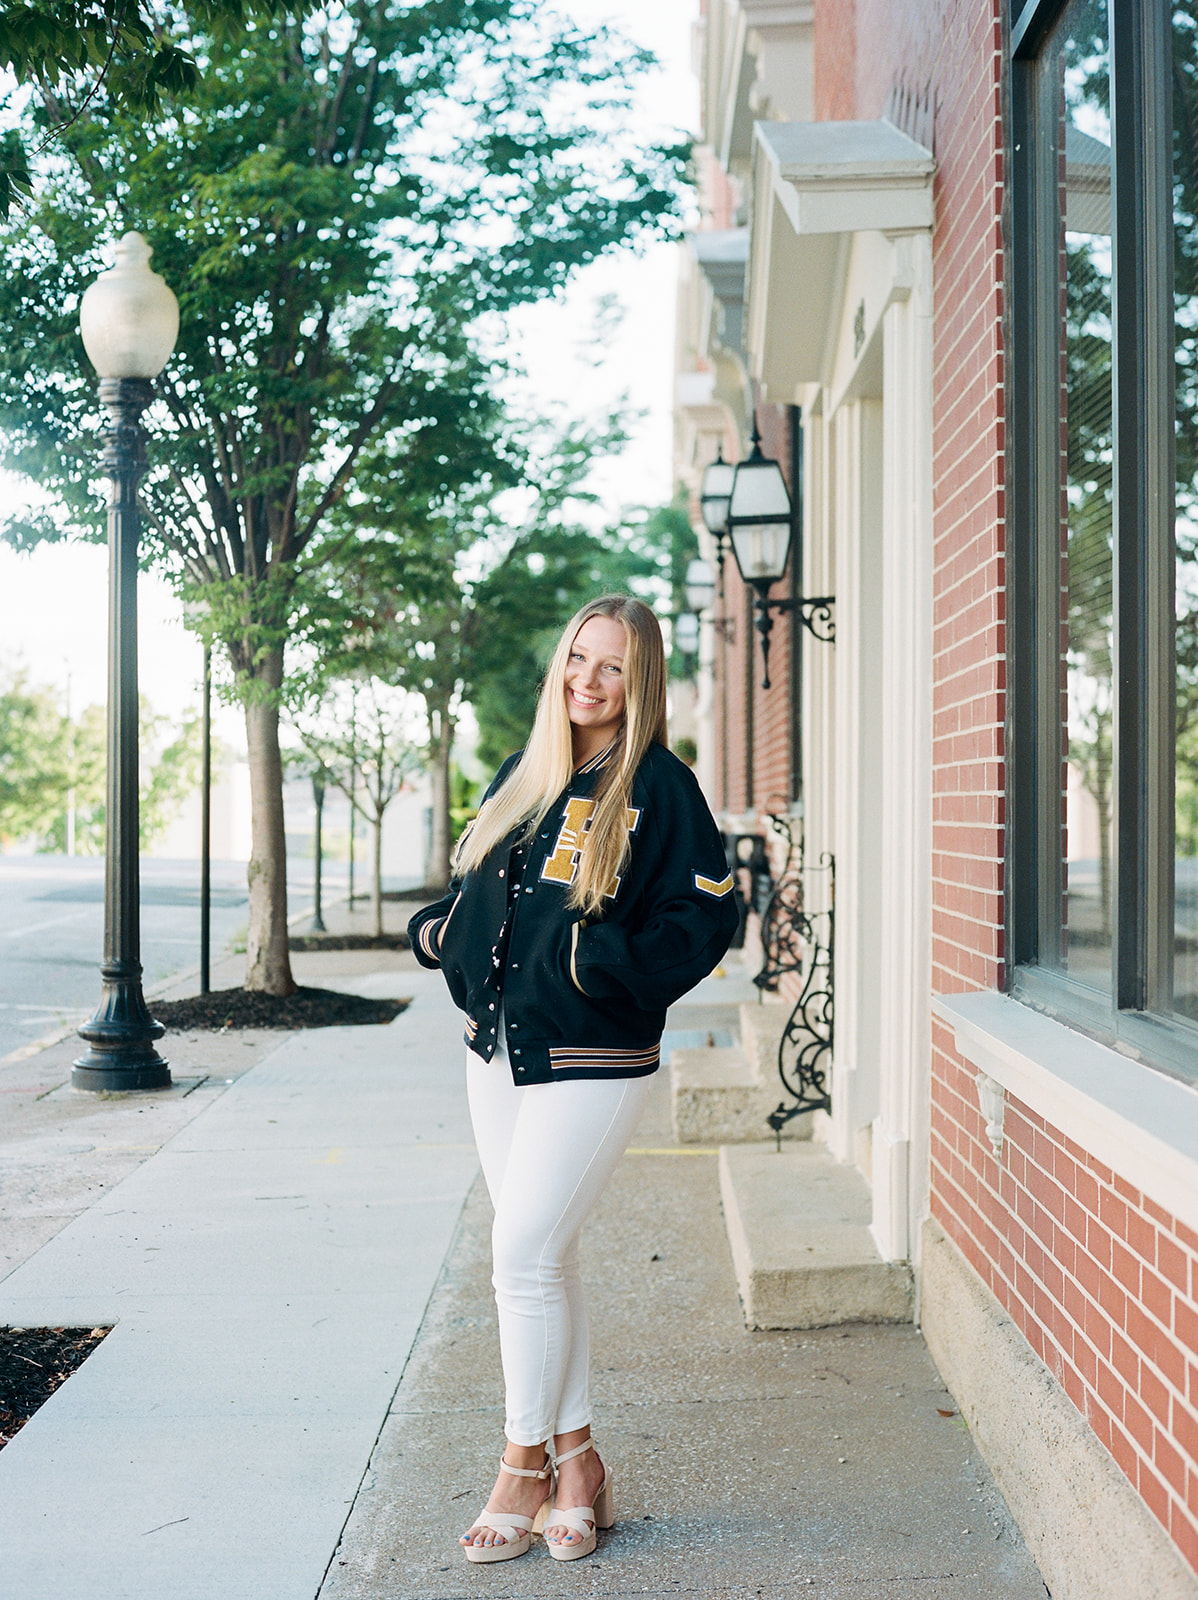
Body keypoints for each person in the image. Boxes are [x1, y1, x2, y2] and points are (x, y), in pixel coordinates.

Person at [408, 594, 739, 1565]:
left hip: (592, 1055)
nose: (588, 681)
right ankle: (580, 1461)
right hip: (496, 1050)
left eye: (612, 668)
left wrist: (601, 969)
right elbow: (482, 890)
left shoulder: (663, 789)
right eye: (579, 660)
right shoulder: (528, 770)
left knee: (520, 1252)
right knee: (542, 1258)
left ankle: (520, 1464)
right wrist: (441, 937)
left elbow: (705, 918)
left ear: (640, 683)